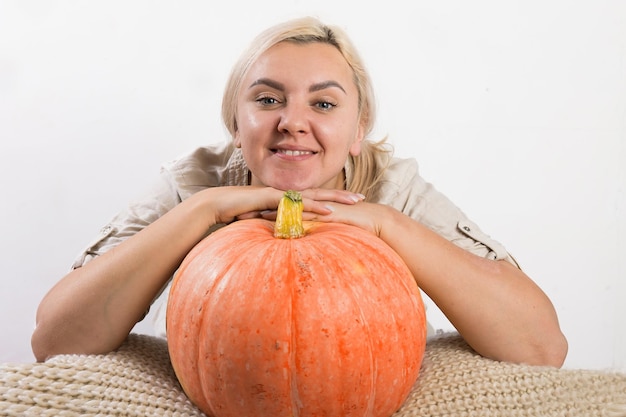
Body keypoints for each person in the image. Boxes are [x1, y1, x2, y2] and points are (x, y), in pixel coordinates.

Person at [31, 16, 567, 367]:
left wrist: (389, 226)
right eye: (267, 100)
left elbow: (541, 347)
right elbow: (55, 342)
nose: (293, 122)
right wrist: (203, 210)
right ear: (235, 126)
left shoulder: (390, 186)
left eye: (325, 104)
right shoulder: (195, 181)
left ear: (358, 131)